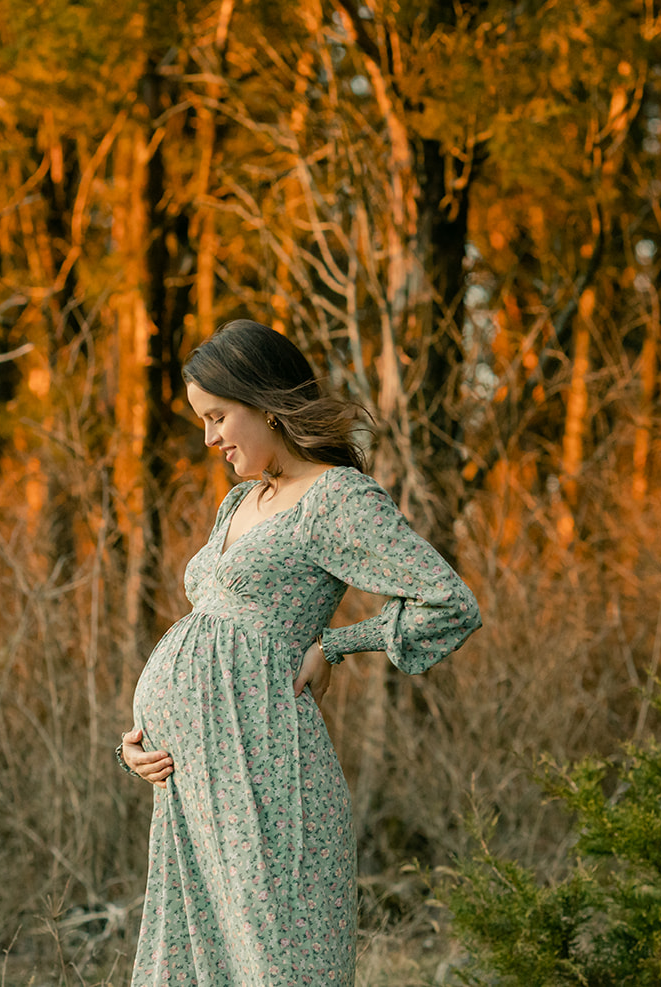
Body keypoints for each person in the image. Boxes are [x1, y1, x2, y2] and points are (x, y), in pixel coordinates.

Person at [116, 319, 482, 987]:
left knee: (279, 969)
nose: (210, 438)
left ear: (266, 401)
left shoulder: (336, 498)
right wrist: (136, 744)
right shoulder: (237, 504)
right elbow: (208, 634)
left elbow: (448, 602)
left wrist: (338, 643)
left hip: (267, 784)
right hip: (195, 793)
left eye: (218, 416)